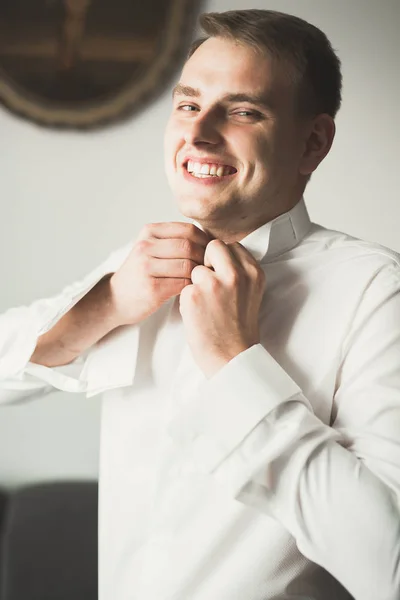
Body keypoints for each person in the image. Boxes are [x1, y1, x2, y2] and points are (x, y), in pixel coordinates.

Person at [1, 8, 399, 600]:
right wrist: (105, 305)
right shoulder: (133, 267)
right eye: (188, 104)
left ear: (313, 142)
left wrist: (236, 362)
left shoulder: (377, 291)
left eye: (243, 110)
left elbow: (387, 566)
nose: (200, 132)